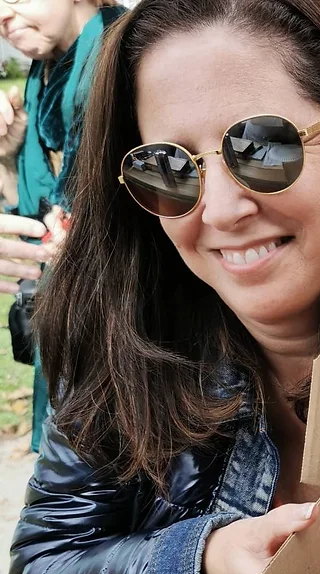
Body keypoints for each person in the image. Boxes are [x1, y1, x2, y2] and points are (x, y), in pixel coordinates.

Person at [8, 0, 320, 574]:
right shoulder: (128, 347)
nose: (219, 210)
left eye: (264, 146)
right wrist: (198, 566)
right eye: (169, 168)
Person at [0, 0, 125, 452]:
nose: (3, 15)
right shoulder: (40, 77)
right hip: (62, 326)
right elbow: (33, 212)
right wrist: (8, 157)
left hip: (125, 330)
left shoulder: (135, 52)